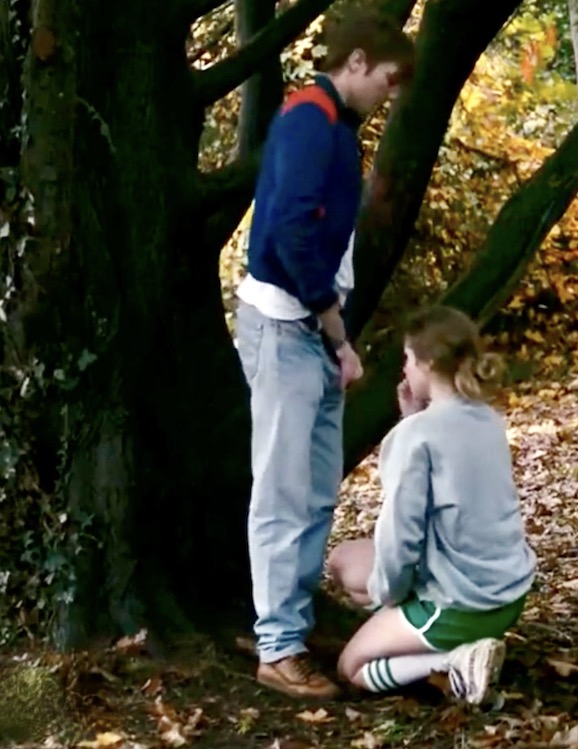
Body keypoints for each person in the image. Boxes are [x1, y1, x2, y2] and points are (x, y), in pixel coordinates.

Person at [234, 8, 415, 700]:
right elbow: (288, 234)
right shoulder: (310, 121)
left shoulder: (332, 126)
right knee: (283, 493)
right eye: (388, 80)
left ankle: (289, 626)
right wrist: (334, 326)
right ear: (358, 61)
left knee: (313, 493)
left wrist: (333, 338)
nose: (389, 96)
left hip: (309, 331)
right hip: (286, 326)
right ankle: (278, 648)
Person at [326, 306, 538, 707]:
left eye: (408, 358)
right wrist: (413, 419)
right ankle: (424, 635)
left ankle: (455, 662)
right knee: (343, 561)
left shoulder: (416, 436)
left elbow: (400, 537)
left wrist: (389, 597)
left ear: (427, 363)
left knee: (350, 667)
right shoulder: (488, 419)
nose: (404, 369)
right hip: (509, 595)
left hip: (462, 605)